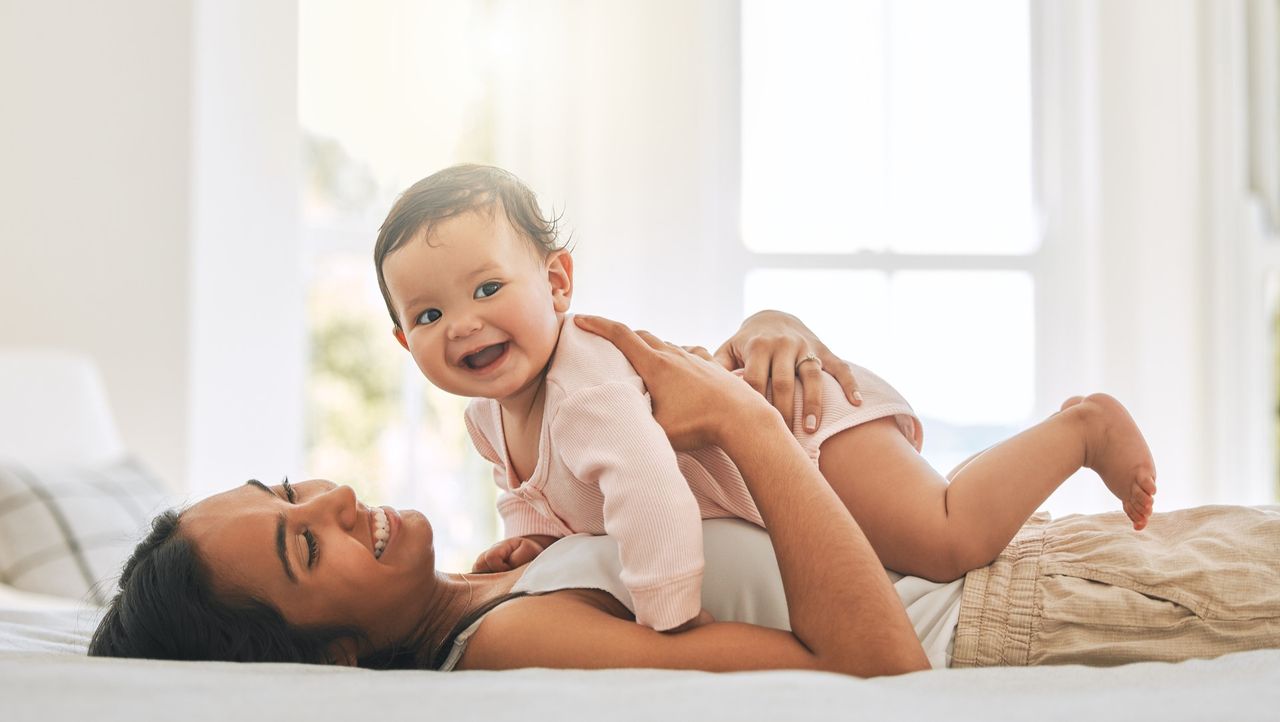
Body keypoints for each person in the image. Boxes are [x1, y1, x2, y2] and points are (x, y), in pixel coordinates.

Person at [87, 314, 1280, 672]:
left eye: (291, 486)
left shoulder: (501, 569)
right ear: (327, 661)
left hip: (1051, 558)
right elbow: (870, 677)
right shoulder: (512, 645)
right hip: (1004, 621)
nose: (337, 496)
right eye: (305, 547)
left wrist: (769, 348)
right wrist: (759, 429)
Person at [372, 164, 1158, 632]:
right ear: (406, 343)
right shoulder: (488, 419)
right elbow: (542, 496)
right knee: (907, 558)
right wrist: (536, 547)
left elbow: (653, 501)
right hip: (774, 474)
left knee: (946, 536)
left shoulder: (585, 387)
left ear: (556, 284)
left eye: (487, 287)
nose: (464, 324)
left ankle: (1080, 430)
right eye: (431, 314)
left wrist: (670, 617)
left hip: (802, 429)